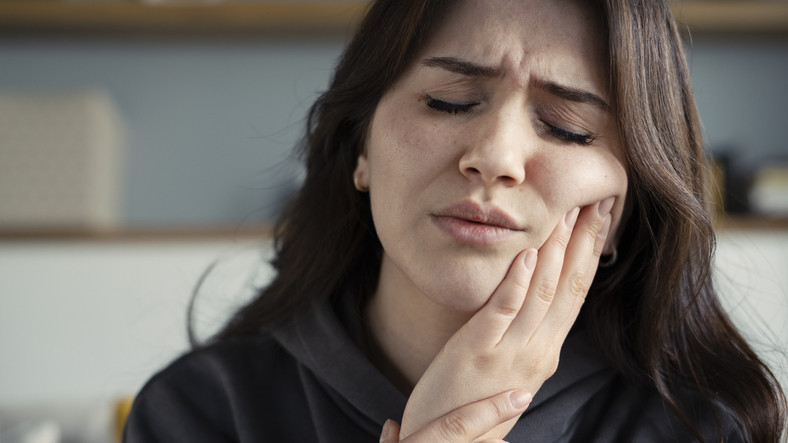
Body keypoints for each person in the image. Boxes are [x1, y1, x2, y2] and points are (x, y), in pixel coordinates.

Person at [123, 0, 787, 442]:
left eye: (567, 127)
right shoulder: (202, 410)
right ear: (361, 149)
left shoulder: (699, 427)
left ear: (624, 209)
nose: (494, 157)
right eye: (447, 101)